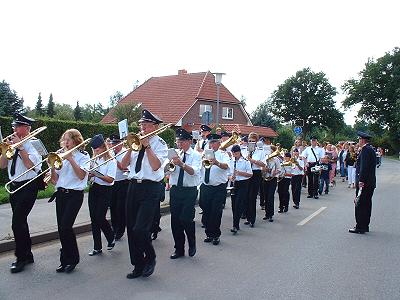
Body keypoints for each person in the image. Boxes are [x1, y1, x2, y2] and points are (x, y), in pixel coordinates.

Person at [121, 109, 168, 279]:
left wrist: (147, 146)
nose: (142, 128)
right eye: (141, 125)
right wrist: (130, 147)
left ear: (155, 126)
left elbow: (156, 166)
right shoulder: (135, 142)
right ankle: (138, 265)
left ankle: (151, 257)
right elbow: (123, 165)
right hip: (133, 186)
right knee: (131, 229)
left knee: (141, 228)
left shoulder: (161, 144)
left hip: (151, 188)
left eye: (145, 125)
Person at [0, 114, 42, 273]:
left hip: (28, 186)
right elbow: (2, 166)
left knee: (17, 222)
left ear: (26, 128)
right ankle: (28, 254)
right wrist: (5, 150)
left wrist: (21, 148)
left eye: (17, 126)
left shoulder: (34, 145)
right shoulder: (11, 144)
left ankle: (21, 258)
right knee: (21, 221)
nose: (14, 129)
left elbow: (32, 166)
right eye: (13, 126)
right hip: (15, 187)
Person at [50, 129, 90, 273]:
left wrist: (70, 159)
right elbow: (54, 181)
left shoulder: (83, 156)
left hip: (74, 195)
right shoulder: (59, 155)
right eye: (64, 139)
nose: (65, 142)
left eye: (68, 139)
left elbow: (81, 176)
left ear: (76, 140)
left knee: (66, 226)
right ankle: (65, 259)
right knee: (61, 229)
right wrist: (52, 167)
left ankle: (73, 259)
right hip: (60, 194)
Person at [168, 128, 201, 259]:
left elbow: (194, 172)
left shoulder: (196, 156)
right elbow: (166, 171)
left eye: (182, 141)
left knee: (186, 219)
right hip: (175, 189)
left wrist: (181, 164)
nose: (179, 144)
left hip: (189, 190)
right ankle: (179, 249)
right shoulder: (176, 154)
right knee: (175, 221)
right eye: (177, 141)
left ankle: (191, 242)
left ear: (189, 141)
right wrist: (170, 164)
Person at [87, 134, 117, 256]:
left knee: (100, 217)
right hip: (94, 189)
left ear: (104, 148)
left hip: (105, 190)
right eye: (94, 150)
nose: (95, 151)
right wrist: (89, 175)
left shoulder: (111, 161)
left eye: (97, 149)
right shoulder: (94, 160)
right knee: (93, 219)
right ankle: (97, 247)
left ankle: (110, 236)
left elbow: (110, 179)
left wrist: (96, 175)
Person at [200, 133, 230, 245]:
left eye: (214, 142)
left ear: (219, 143)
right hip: (205, 186)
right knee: (206, 210)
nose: (211, 144)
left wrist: (216, 162)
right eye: (210, 142)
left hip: (218, 187)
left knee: (216, 212)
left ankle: (215, 235)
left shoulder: (223, 154)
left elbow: (226, 166)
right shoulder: (204, 154)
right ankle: (209, 233)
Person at [349, 131, 376, 234]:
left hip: (364, 183)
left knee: (360, 204)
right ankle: (365, 225)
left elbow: (364, 168)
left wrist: (361, 181)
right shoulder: (371, 149)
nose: (358, 142)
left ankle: (360, 226)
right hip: (370, 182)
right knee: (367, 204)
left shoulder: (365, 150)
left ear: (362, 140)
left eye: (359, 139)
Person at [109, 134, 130, 240]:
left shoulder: (127, 152)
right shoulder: (110, 153)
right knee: (112, 207)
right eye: (113, 143)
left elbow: (124, 167)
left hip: (123, 182)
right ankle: (114, 228)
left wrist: (114, 160)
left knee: (120, 208)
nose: (114, 145)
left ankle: (120, 230)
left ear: (121, 143)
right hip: (113, 183)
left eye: (116, 143)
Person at [229, 145, 252, 233]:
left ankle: (235, 225)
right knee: (233, 204)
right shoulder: (231, 161)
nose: (234, 154)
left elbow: (250, 174)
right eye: (233, 153)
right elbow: (228, 173)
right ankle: (236, 223)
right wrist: (231, 177)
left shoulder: (245, 161)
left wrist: (240, 173)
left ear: (239, 152)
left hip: (243, 184)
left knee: (238, 204)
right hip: (234, 183)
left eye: (235, 153)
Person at [244, 132, 265, 227]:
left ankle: (252, 219)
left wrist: (252, 160)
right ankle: (248, 217)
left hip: (256, 174)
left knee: (252, 197)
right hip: (246, 174)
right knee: (247, 196)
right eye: (249, 141)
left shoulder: (260, 151)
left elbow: (263, 164)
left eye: (253, 141)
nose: (251, 142)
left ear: (256, 142)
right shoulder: (245, 150)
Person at [262, 145, 281, 222]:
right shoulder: (264, 159)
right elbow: (261, 168)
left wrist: (274, 172)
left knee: (270, 196)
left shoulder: (276, 159)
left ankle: (271, 214)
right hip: (265, 178)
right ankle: (267, 213)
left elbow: (279, 169)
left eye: (271, 150)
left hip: (273, 179)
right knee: (266, 196)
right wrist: (264, 169)